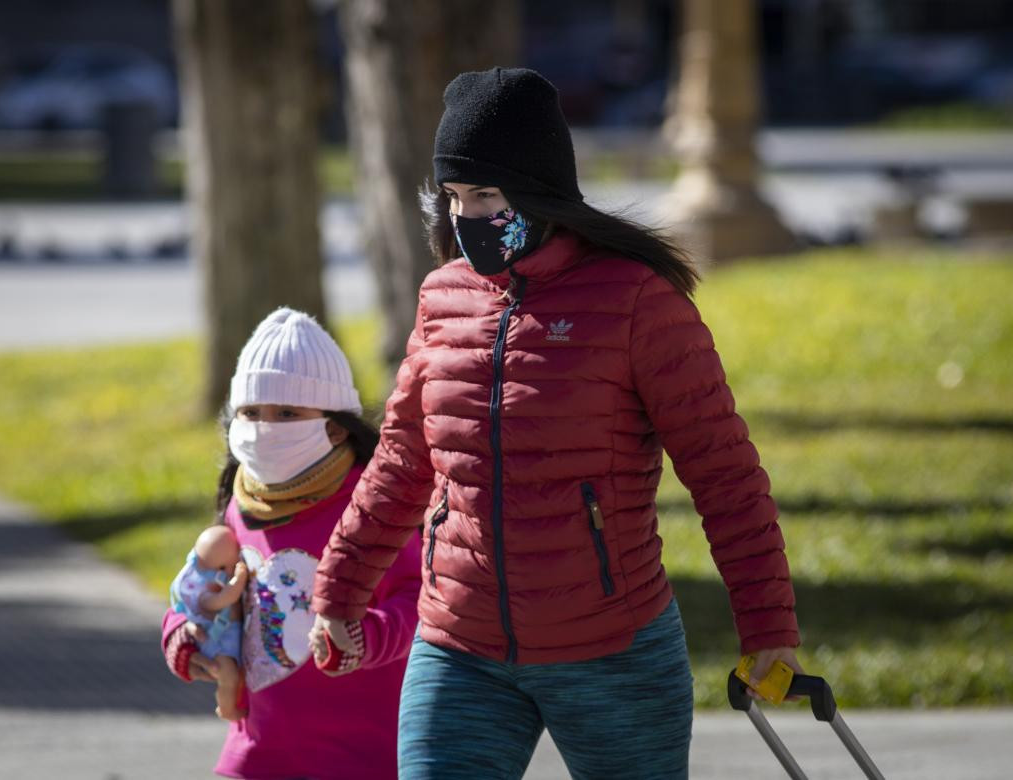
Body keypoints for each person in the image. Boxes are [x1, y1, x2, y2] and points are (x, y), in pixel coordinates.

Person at [310, 67, 803, 779]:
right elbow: (402, 461)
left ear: (538, 189)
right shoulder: (442, 298)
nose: (464, 217)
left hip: (614, 655)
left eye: (484, 194)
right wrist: (339, 591)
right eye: (452, 197)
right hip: (460, 651)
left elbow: (724, 474)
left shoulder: (634, 299)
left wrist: (768, 629)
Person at [161, 308, 422, 780]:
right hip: (255, 754)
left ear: (336, 426)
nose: (265, 427)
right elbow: (193, 590)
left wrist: (367, 638)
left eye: (287, 413)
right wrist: (182, 633)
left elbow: (420, 599)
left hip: (364, 757)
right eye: (251, 413)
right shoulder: (240, 503)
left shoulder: (374, 506)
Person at [169, 524, 249, 721]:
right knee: (228, 676)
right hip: (218, 642)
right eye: (223, 568)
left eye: (234, 563)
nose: (229, 571)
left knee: (234, 676)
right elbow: (223, 600)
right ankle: (227, 708)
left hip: (235, 638)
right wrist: (237, 582)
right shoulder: (204, 593)